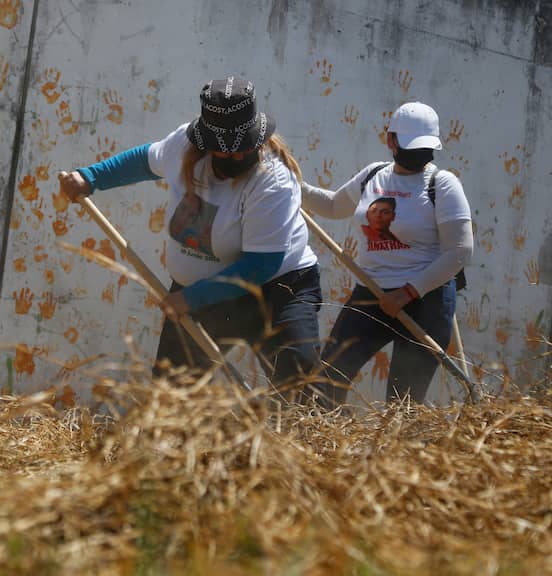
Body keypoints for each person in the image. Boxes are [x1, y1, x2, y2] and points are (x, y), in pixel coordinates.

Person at [59, 76, 323, 398]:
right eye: (229, 151)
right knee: (171, 397)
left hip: (277, 289)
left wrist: (191, 299)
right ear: (208, 146)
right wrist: (91, 177)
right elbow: (145, 161)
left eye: (245, 147)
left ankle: (294, 443)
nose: (239, 157)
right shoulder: (184, 146)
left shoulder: (273, 181)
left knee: (298, 386)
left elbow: (260, 264)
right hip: (201, 290)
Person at [301, 101, 473, 405]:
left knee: (403, 403)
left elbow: (459, 251)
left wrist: (407, 292)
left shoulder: (443, 184)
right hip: (371, 292)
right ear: (390, 140)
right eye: (411, 146)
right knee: (325, 381)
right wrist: (293, 185)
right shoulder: (374, 175)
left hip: (426, 300)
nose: (420, 155)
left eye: (425, 148)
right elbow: (332, 206)